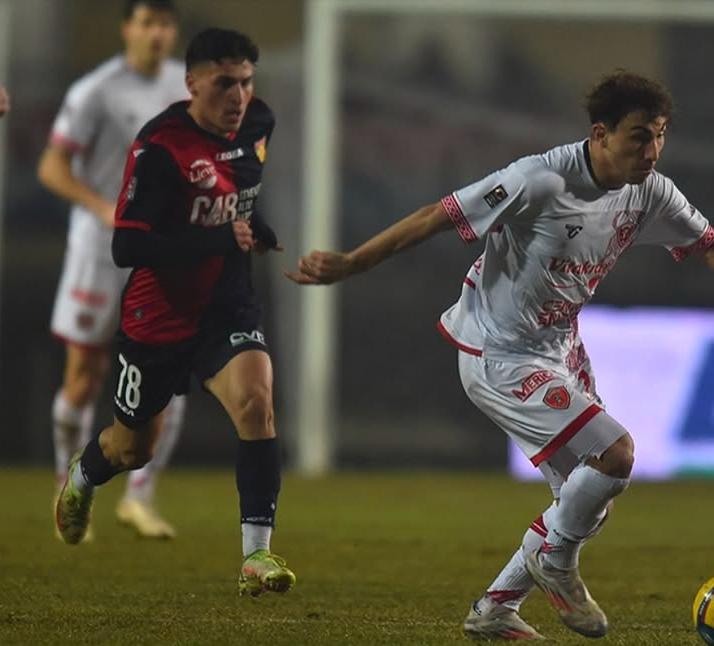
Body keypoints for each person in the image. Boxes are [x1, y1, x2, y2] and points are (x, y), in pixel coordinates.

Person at [287, 71, 714, 640]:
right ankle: (554, 563)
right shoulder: (539, 180)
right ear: (600, 134)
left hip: (559, 349)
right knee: (615, 456)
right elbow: (438, 215)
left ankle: (494, 608)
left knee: (585, 502)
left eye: (660, 135)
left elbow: (707, 243)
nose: (653, 151)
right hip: (499, 354)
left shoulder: (650, 191)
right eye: (639, 136)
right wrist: (352, 262)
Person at [54, 26, 296, 598]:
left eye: (246, 82)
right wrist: (219, 238)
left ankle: (255, 554)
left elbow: (236, 197)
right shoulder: (159, 148)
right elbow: (128, 247)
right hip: (158, 318)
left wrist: (255, 228)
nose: (238, 96)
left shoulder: (258, 123)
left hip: (226, 304)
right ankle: (84, 475)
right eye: (224, 83)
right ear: (192, 83)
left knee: (257, 402)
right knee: (133, 449)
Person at [38, 0, 187, 540]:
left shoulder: (187, 87)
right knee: (85, 375)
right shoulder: (95, 91)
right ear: (128, 28)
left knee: (171, 377)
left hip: (161, 253)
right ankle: (69, 488)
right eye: (147, 22)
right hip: (99, 250)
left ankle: (139, 498)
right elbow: (52, 166)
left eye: (165, 24)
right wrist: (102, 207)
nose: (156, 33)